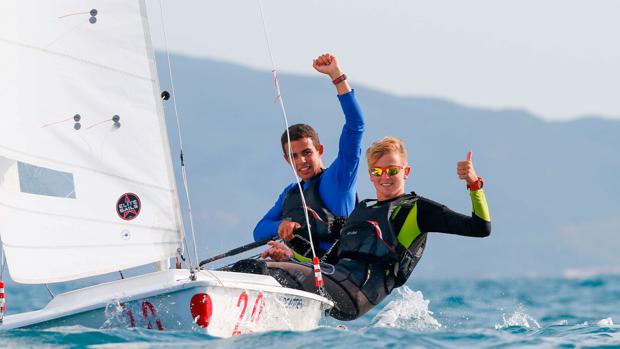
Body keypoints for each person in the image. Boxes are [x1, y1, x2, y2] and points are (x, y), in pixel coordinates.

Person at [259, 137, 491, 320]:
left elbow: (480, 227)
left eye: (392, 170)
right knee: (259, 265)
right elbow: (327, 260)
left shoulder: (417, 209)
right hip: (333, 282)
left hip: (356, 293)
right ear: (370, 175)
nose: (384, 177)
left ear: (405, 172)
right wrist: (292, 256)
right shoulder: (362, 210)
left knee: (263, 270)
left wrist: (473, 184)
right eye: (378, 172)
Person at [252, 53, 364, 261]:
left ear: (320, 150)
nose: (301, 161)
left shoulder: (340, 178)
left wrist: (336, 75)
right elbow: (259, 230)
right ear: (287, 160)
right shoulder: (290, 193)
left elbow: (356, 125)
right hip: (299, 268)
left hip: (335, 274)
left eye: (307, 153)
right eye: (294, 156)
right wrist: (281, 226)